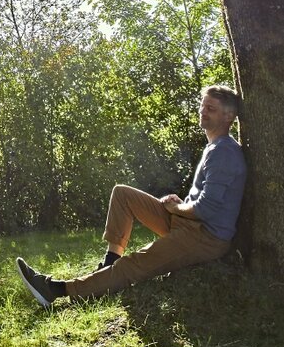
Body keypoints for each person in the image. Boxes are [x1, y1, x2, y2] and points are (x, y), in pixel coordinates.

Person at [16, 84, 245, 306]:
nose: (203, 112)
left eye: (211, 109)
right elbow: (203, 202)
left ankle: (56, 290)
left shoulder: (223, 151)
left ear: (229, 116)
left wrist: (176, 209)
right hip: (188, 222)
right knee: (122, 195)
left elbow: (206, 209)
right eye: (203, 106)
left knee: (134, 265)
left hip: (205, 237)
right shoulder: (214, 147)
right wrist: (181, 205)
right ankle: (109, 264)